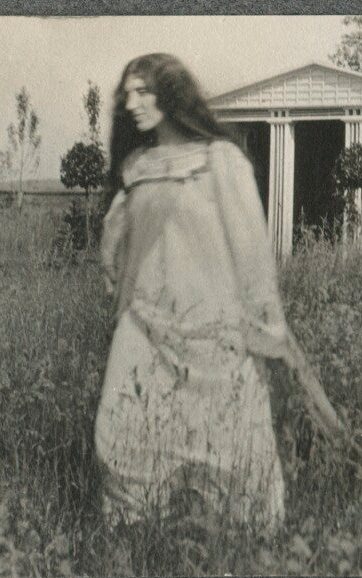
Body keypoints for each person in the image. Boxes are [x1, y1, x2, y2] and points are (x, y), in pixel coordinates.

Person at [94, 53, 345, 535]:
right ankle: (136, 544)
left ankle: (241, 550)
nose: (133, 102)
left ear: (172, 94)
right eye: (127, 93)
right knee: (119, 439)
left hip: (213, 334)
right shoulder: (135, 167)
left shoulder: (220, 161)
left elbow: (250, 251)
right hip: (144, 329)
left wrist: (264, 325)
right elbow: (115, 254)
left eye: (144, 91)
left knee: (231, 454)